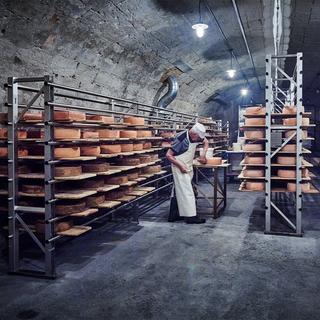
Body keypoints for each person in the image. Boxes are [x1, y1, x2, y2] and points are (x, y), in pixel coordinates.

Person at [166, 122, 209, 224]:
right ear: (193, 133)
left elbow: (206, 142)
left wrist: (203, 155)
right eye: (198, 137)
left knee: (178, 191)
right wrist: (180, 166)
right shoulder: (181, 139)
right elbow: (168, 155)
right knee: (187, 191)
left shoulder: (196, 136)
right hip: (179, 166)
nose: (199, 139)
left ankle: (174, 215)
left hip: (188, 166)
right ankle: (191, 217)